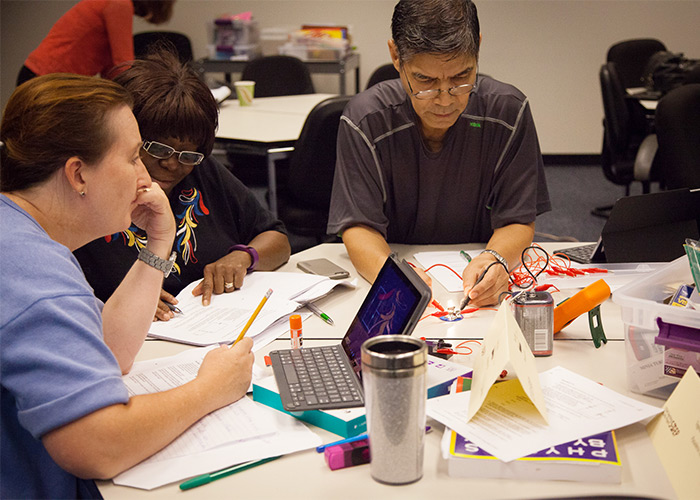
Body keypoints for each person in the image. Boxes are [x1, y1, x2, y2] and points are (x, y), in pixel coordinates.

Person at [0, 74, 254, 498]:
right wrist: (210, 389)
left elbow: (108, 354)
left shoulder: (19, 235)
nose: (146, 178)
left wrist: (158, 242)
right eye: (135, 157)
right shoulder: (38, 276)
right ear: (78, 175)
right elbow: (95, 445)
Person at [327, 0, 551, 307]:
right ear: (396, 56)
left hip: (475, 280)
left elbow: (518, 219)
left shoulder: (508, 112)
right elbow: (358, 227)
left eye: (461, 78)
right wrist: (395, 277)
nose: (445, 100)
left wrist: (496, 258)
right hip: (398, 269)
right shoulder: (366, 120)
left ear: (478, 49)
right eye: (425, 81)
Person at [73, 49, 291, 321]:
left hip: (209, 327)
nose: (173, 165)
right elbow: (57, 296)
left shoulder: (202, 173)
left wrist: (243, 256)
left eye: (187, 155)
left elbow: (277, 237)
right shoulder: (88, 197)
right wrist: (114, 307)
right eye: (159, 150)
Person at [16, 0, 175, 86]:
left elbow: (112, 68)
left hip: (42, 76)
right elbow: (124, 64)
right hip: (45, 80)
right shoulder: (119, 4)